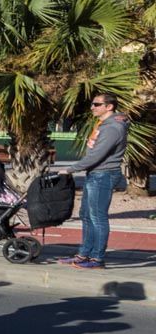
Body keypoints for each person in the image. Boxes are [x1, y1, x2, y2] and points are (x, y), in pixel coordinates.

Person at [58, 93, 130, 270]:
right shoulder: (104, 124)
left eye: (97, 104)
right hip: (96, 174)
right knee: (86, 215)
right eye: (92, 104)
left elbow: (98, 155)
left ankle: (97, 259)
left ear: (109, 107)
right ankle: (84, 254)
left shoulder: (113, 128)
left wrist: (70, 169)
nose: (92, 107)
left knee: (98, 217)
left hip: (103, 174)